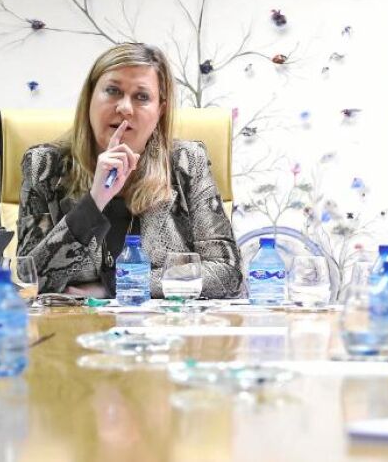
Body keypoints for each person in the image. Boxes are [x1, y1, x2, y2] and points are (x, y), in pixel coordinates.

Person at [16, 43, 243, 298]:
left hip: (166, 322)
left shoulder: (187, 162)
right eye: (113, 91)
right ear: (89, 98)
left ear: (160, 110)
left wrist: (114, 286)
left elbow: (227, 273)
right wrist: (94, 201)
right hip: (76, 322)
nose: (125, 107)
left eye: (141, 96)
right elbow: (30, 280)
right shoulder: (44, 166)